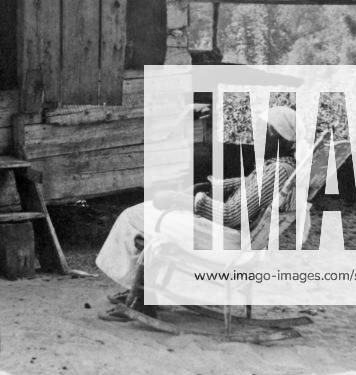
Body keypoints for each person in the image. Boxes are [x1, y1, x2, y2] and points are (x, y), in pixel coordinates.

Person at [96, 106, 298, 321]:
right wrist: (214, 186)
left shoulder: (277, 171)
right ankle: (141, 292)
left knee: (136, 217)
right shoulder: (283, 167)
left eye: (262, 131)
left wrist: (190, 201)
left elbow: (231, 214)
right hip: (236, 236)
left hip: (229, 240)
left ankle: (142, 299)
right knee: (147, 212)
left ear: (276, 135)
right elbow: (250, 184)